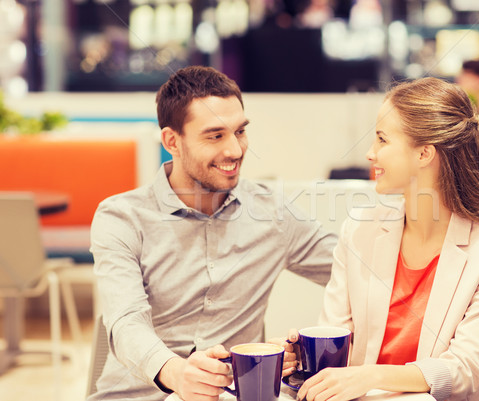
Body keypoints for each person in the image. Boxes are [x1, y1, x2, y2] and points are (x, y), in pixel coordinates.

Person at [87, 65, 337, 401]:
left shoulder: (273, 214)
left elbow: (353, 271)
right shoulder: (121, 217)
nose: (235, 150)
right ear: (172, 141)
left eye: (240, 132)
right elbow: (126, 322)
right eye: (215, 136)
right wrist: (176, 372)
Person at [292, 77, 479, 401]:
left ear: (424, 153)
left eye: (381, 140)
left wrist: (372, 375)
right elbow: (336, 337)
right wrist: (301, 357)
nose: (369, 153)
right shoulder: (360, 230)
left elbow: (465, 370)